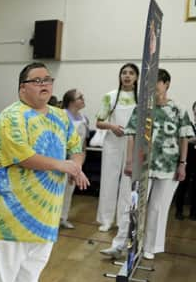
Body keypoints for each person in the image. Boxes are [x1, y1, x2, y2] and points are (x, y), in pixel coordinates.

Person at [0, 62, 89, 282]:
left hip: (47, 203)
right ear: (22, 88)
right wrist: (64, 165)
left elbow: (76, 146)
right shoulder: (10, 116)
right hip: (10, 202)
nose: (44, 85)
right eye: (37, 80)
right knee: (5, 257)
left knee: (38, 254)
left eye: (48, 80)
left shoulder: (60, 116)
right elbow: (22, 155)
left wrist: (77, 166)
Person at [102, 69, 194, 260]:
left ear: (166, 84)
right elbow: (131, 135)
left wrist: (182, 164)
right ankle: (120, 245)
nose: (153, 87)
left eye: (157, 82)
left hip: (168, 167)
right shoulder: (142, 108)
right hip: (143, 165)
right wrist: (129, 162)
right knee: (133, 205)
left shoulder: (179, 109)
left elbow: (184, 137)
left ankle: (150, 246)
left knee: (158, 208)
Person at [95, 63, 139, 232]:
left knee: (128, 183)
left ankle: (123, 220)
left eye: (131, 73)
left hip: (133, 144)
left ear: (136, 77)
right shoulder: (110, 96)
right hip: (112, 142)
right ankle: (106, 220)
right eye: (124, 73)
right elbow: (98, 122)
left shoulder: (141, 98)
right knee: (108, 180)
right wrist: (112, 127)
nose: (127, 76)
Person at [59, 89, 90, 229]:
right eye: (80, 97)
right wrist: (67, 163)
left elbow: (83, 145)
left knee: (69, 190)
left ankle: (62, 218)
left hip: (76, 160)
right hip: (61, 160)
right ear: (71, 101)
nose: (83, 99)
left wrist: (78, 166)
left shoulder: (84, 119)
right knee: (58, 191)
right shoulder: (61, 116)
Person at [174, 101, 196, 220]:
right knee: (183, 186)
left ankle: (193, 213)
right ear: (193, 111)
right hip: (188, 159)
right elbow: (184, 139)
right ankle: (179, 211)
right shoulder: (189, 124)